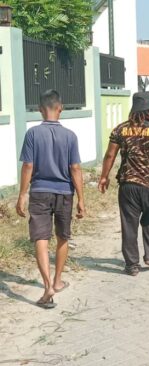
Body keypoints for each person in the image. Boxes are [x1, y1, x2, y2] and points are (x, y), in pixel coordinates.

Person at [15, 89, 85, 308]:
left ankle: (47, 286)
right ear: (60, 108)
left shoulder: (33, 134)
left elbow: (28, 165)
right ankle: (57, 281)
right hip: (64, 193)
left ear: (39, 110)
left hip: (39, 192)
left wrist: (22, 195)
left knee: (41, 238)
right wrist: (82, 199)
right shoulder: (70, 136)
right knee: (62, 236)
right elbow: (75, 168)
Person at [97, 92, 149, 276]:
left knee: (129, 224)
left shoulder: (120, 129)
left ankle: (132, 265)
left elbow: (110, 155)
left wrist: (104, 177)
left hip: (128, 185)